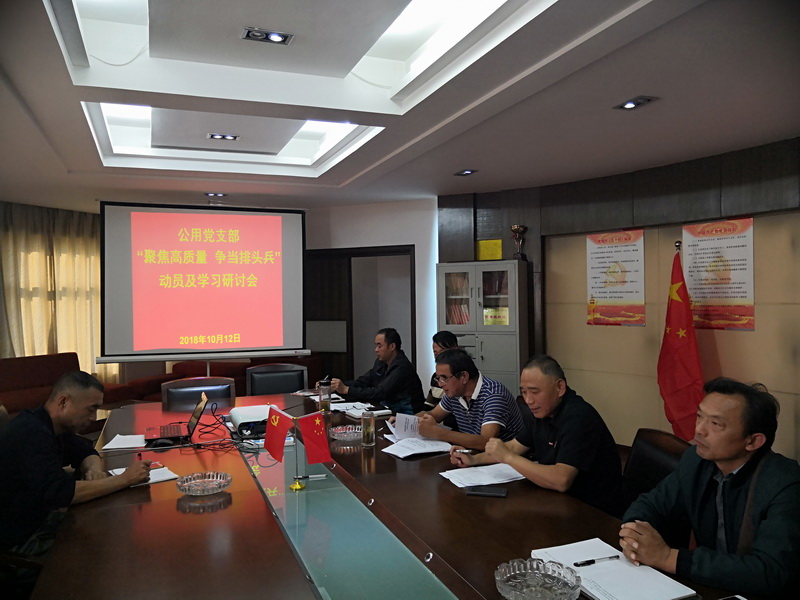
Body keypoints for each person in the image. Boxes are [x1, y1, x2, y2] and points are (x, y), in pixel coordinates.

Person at [619, 377, 800, 598]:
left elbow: (771, 572)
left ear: (753, 441)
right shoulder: (696, 461)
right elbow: (650, 504)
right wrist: (634, 537)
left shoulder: (785, 483)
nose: (698, 430)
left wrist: (668, 558)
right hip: (714, 587)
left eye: (715, 424)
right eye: (699, 416)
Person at [0, 371, 152, 555]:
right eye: (91, 409)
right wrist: (125, 479)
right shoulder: (31, 433)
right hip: (20, 537)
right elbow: (61, 492)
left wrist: (94, 470)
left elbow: (86, 451)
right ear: (63, 402)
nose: (94, 417)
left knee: (118, 524)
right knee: (112, 545)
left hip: (37, 517)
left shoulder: (52, 425)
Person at [450, 354, 623, 515]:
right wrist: (474, 459)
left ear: (560, 387)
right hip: (559, 501)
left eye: (535, 391)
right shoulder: (544, 413)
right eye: (524, 392)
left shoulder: (578, 417)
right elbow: (514, 446)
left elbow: (561, 480)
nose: (528, 400)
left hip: (595, 510)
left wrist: (508, 457)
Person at [417, 348, 523, 450]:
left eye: (444, 378)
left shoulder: (493, 395)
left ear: (464, 377)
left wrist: (438, 433)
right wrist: (409, 421)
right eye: (438, 378)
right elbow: (433, 415)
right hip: (471, 453)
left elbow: (486, 441)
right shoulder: (455, 393)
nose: (440, 384)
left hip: (504, 457)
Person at [330, 327, 425, 414]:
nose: (376, 350)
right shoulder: (381, 362)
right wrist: (336, 386)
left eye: (379, 346)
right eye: (376, 346)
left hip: (407, 413)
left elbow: (380, 393)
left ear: (392, 347)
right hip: (389, 408)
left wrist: (347, 390)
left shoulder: (401, 367)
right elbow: (363, 381)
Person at [422, 330, 459, 430]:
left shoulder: (458, 379)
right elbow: (428, 407)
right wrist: (407, 420)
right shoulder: (436, 377)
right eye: (435, 353)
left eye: (442, 352)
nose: (438, 357)